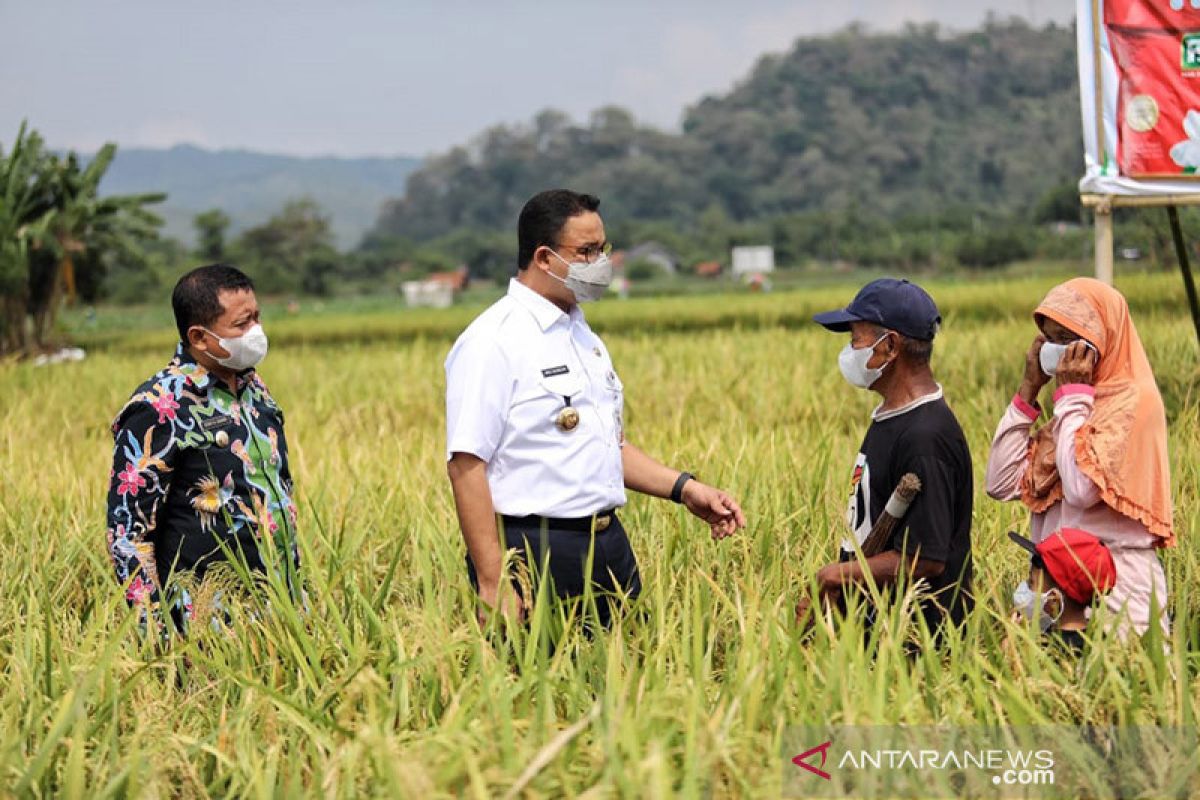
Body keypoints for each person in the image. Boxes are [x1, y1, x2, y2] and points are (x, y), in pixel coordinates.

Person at [445, 189, 746, 628]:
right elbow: (466, 465)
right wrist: (493, 581)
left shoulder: (582, 335)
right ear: (545, 258)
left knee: (630, 683)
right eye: (585, 252)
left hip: (608, 546)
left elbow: (606, 446)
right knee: (546, 689)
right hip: (535, 552)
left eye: (602, 248)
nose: (600, 262)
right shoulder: (493, 341)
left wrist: (685, 489)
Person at [105, 264, 299, 632]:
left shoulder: (255, 391)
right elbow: (129, 534)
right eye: (242, 325)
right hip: (207, 624)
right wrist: (156, 632)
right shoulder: (159, 407)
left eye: (257, 318)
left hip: (279, 612)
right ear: (199, 336)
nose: (255, 332)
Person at [985, 277, 1173, 639]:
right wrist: (1029, 390)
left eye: (1068, 339)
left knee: (1118, 689)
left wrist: (1073, 396)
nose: (1059, 351)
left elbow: (1081, 489)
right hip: (1056, 592)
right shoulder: (1070, 412)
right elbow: (999, 483)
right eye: (1051, 339)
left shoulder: (1133, 402)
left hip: (1118, 593)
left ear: (1103, 340)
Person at [802, 278, 974, 639]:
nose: (850, 352)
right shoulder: (893, 416)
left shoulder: (926, 436)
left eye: (856, 339)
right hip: (878, 630)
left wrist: (836, 574)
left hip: (917, 642)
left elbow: (927, 557)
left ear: (890, 345)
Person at [1007, 528, 1117, 656]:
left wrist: (1009, 649)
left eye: (1031, 582)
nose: (1024, 587)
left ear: (1054, 600)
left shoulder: (1050, 651)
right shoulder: (1096, 637)